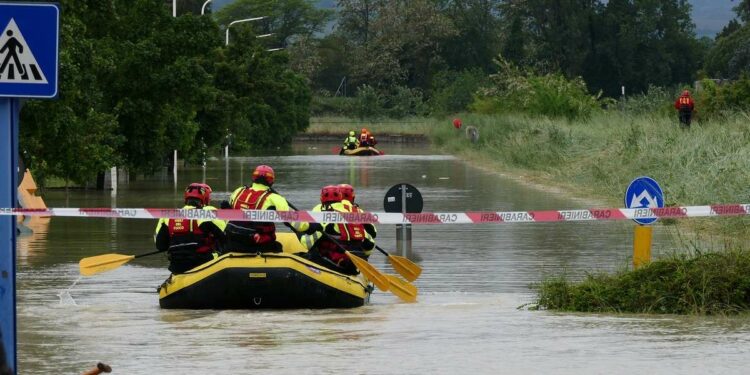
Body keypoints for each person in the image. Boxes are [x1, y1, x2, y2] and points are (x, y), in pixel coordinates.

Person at [225, 165, 304, 253]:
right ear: (271, 180)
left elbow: (229, 213)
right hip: (257, 245)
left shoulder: (238, 191)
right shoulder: (274, 198)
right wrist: (310, 226)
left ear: (254, 177)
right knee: (277, 247)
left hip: (232, 242)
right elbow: (298, 224)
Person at [299, 185, 374, 275]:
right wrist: (364, 255)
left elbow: (307, 243)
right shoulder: (354, 214)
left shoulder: (326, 216)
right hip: (353, 263)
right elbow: (370, 243)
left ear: (321, 199)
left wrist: (298, 233)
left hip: (336, 263)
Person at [154, 183, 226, 274]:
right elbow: (225, 238)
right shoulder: (206, 215)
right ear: (205, 199)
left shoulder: (168, 217)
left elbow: (160, 246)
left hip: (176, 265)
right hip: (202, 262)